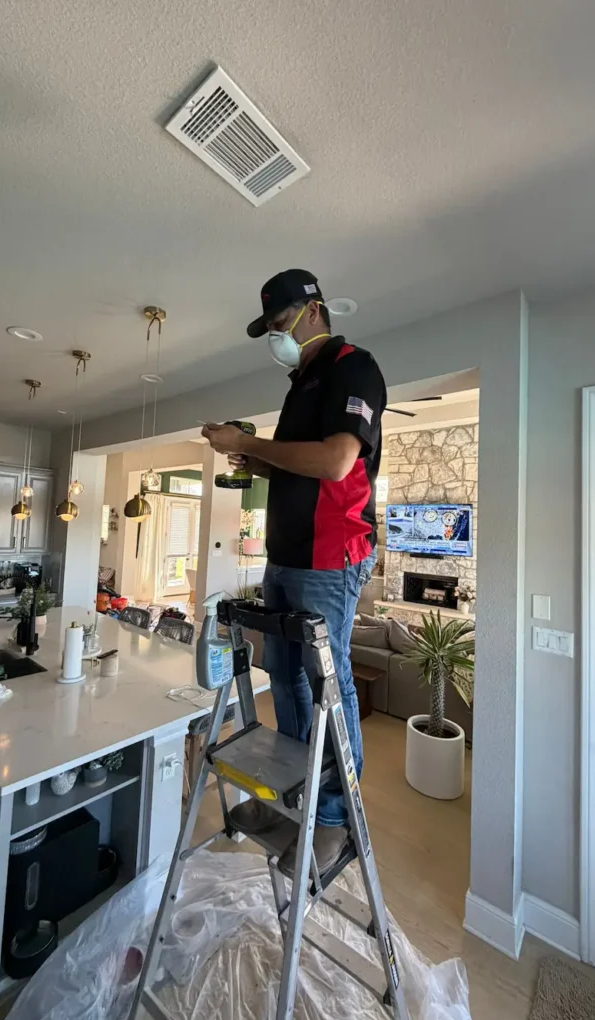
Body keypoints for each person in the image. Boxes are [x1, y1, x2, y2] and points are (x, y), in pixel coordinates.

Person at [202, 269, 386, 874]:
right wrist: (253, 458)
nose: (274, 336)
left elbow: (336, 462)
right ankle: (295, 800)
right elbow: (298, 469)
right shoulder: (299, 383)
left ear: (312, 310)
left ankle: (335, 820)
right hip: (286, 555)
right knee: (283, 677)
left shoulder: (353, 367)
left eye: (279, 322)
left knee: (328, 685)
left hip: (330, 557)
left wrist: (254, 447)